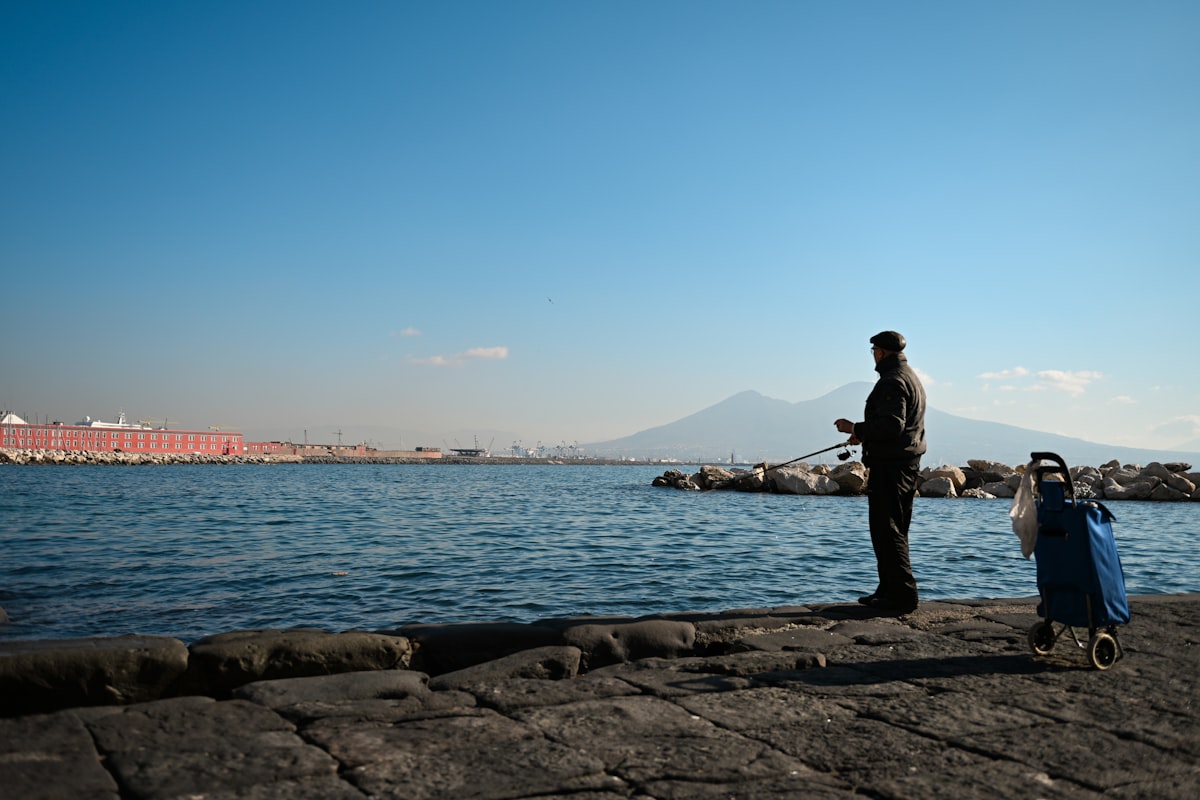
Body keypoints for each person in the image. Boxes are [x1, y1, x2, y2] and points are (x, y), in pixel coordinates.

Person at [834, 330, 927, 614]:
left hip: (892, 466)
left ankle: (902, 596)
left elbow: (892, 426)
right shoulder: (908, 376)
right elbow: (894, 426)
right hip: (903, 463)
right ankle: (888, 589)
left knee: (887, 529)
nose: (872, 355)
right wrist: (865, 435)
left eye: (873, 350)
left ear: (881, 352)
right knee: (893, 528)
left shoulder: (892, 381)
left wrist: (855, 428)